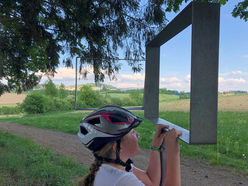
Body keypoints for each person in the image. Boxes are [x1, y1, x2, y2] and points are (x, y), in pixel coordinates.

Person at [78, 106, 182, 186]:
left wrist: (155, 147)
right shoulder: (121, 179)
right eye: (132, 132)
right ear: (117, 147)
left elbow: (151, 182)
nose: (137, 134)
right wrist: (173, 152)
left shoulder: (113, 167)